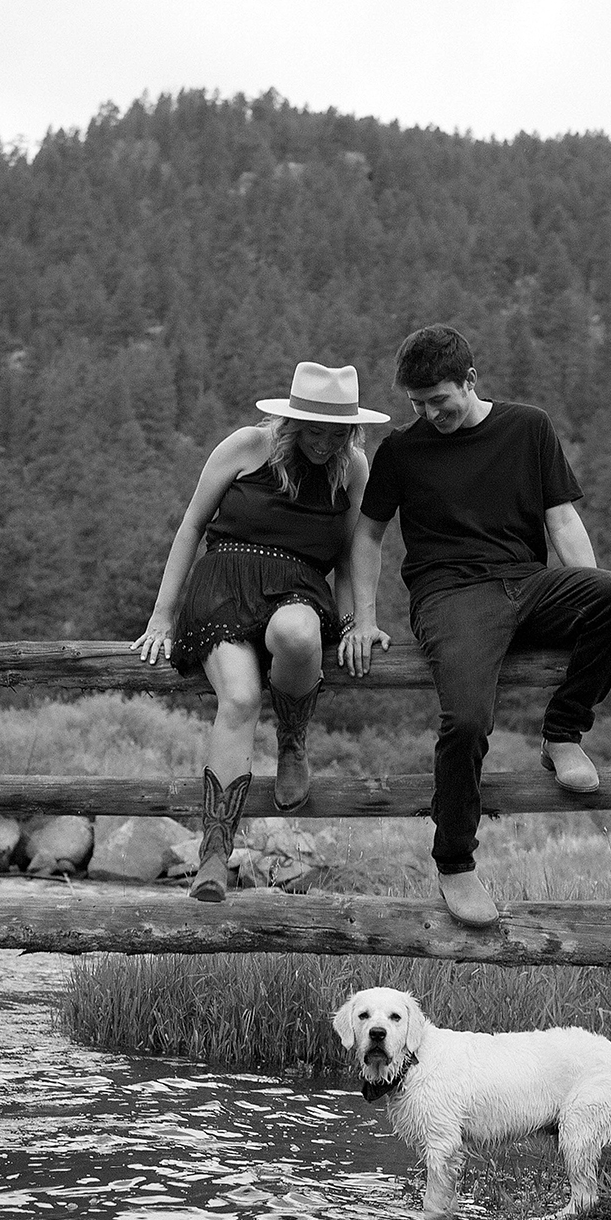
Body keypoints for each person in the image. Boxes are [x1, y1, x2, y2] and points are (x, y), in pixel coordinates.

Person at [341, 325, 611, 929]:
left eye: (440, 400)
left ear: (471, 380)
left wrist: (594, 605)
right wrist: (364, 620)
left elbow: (562, 522)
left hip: (526, 586)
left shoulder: (528, 428)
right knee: (468, 719)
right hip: (450, 596)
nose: (430, 413)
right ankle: (455, 861)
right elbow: (368, 535)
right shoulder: (401, 451)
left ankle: (563, 734)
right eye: (418, 404)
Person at [135, 361, 389, 901]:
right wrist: (161, 615)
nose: (323, 443)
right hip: (224, 582)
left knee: (298, 635)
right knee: (241, 697)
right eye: (313, 431)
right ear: (293, 422)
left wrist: (356, 621)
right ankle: (213, 855)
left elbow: (353, 553)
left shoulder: (355, 469)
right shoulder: (246, 446)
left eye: (336, 432)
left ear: (352, 430)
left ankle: (293, 741)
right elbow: (192, 525)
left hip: (298, 588)